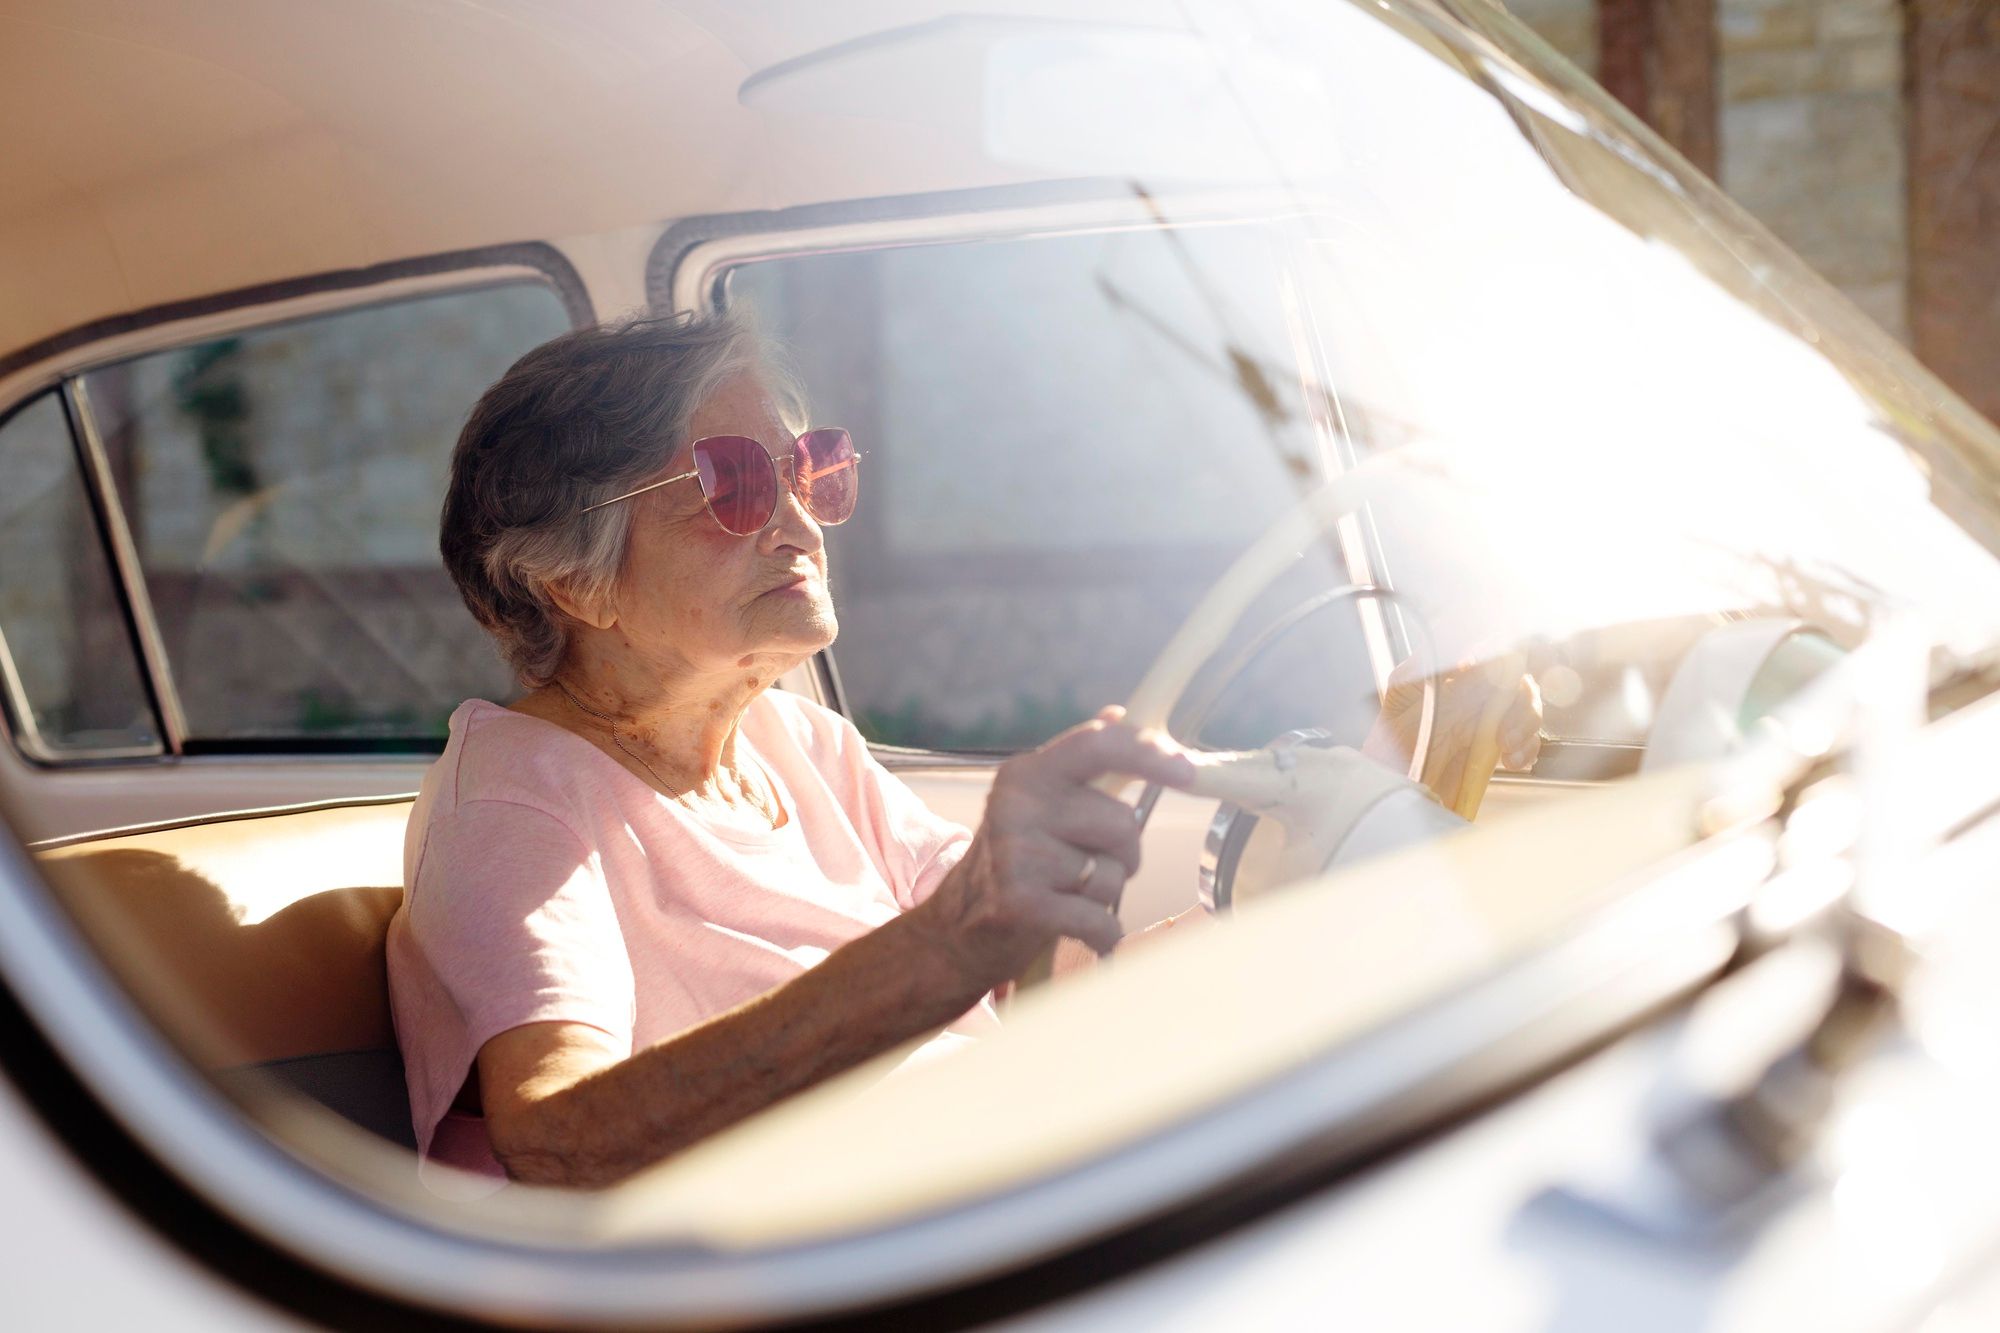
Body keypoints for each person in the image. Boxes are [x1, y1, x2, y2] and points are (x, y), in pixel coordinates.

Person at [386, 312, 1199, 1190]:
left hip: (980, 1182)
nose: (802, 526)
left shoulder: (804, 741)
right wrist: (940, 949)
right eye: (734, 485)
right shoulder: (515, 800)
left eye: (808, 472)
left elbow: (1030, 973)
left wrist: (1255, 912)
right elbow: (555, 1138)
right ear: (575, 582)